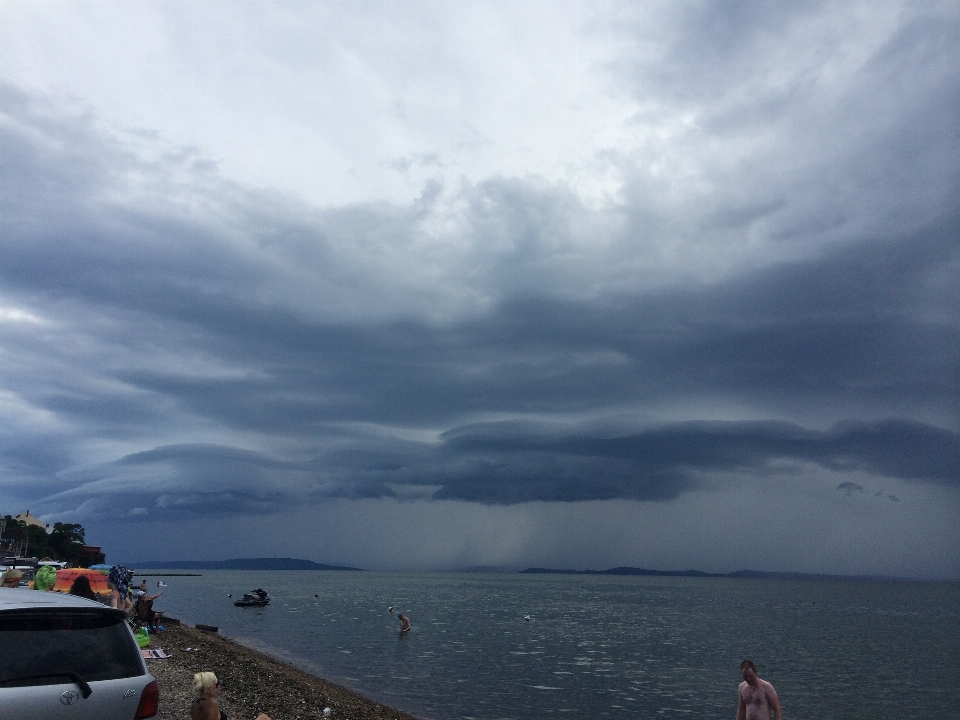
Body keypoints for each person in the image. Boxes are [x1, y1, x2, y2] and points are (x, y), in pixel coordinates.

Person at [190, 671, 271, 720]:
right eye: (216, 685)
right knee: (264, 717)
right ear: (208, 689)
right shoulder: (211, 704)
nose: (218, 687)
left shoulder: (195, 703)